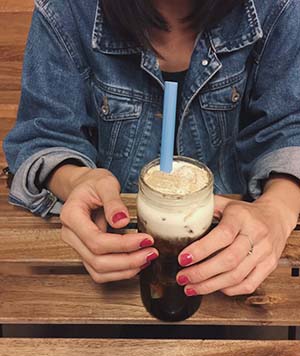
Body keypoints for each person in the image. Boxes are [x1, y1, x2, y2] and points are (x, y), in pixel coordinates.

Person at [3, 0, 300, 298]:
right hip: (106, 258)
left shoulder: (277, 8)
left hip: (237, 257)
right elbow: (43, 136)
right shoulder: (65, 10)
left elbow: (288, 125)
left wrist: (277, 209)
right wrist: (76, 180)